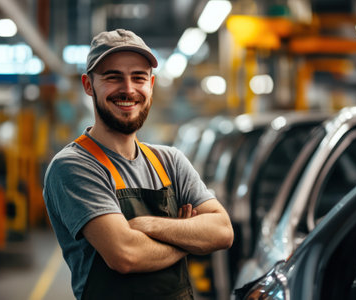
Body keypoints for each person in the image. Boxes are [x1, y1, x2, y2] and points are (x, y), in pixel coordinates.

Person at [43, 29, 234, 300]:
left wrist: (147, 225)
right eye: (113, 77)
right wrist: (190, 240)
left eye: (139, 77)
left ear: (151, 84)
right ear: (88, 85)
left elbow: (222, 231)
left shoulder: (170, 162)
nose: (129, 89)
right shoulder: (74, 166)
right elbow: (125, 254)